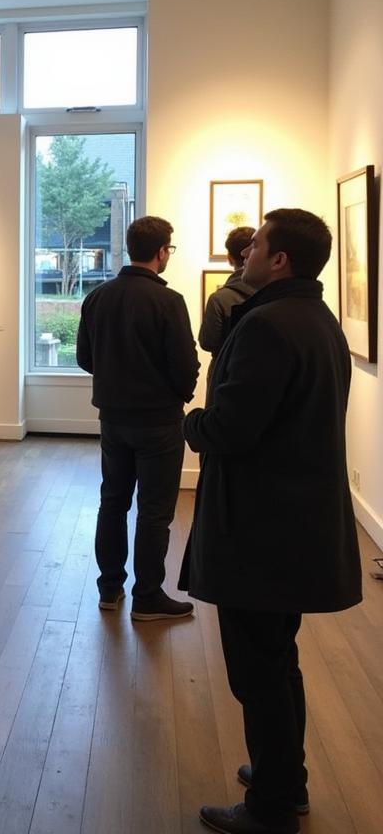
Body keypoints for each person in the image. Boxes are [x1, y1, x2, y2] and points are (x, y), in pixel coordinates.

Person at [181, 209, 362, 834]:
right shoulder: (317, 319)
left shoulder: (267, 326)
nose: (246, 251)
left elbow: (229, 428)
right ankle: (286, 777)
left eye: (255, 243)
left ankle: (272, 806)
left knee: (257, 670)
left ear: (278, 258)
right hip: (296, 525)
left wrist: (190, 423)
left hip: (261, 529)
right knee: (277, 659)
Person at [76, 215, 199, 620]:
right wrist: (179, 394)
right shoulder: (169, 301)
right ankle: (147, 595)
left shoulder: (98, 297)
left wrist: (115, 379)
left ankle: (109, 588)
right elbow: (184, 366)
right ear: (162, 251)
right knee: (154, 510)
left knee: (112, 501)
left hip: (112, 418)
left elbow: (84, 358)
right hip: (160, 422)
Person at [199, 226, 256, 378]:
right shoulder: (274, 295)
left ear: (230, 258)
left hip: (224, 372)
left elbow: (207, 342)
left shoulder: (219, 299)